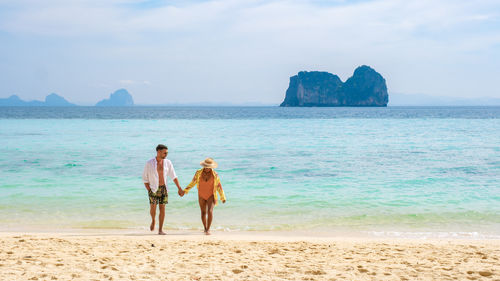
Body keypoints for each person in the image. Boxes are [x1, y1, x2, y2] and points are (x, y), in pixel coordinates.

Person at [142, 144, 183, 235]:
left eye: (167, 153)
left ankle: (160, 230)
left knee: (162, 208)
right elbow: (145, 178)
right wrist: (149, 190)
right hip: (153, 189)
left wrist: (179, 188)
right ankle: (153, 220)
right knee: (153, 208)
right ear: (158, 152)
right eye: (165, 152)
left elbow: (173, 176)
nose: (166, 154)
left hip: (164, 188)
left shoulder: (168, 162)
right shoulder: (149, 163)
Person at [181, 158, 226, 235]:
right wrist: (185, 190)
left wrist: (222, 197)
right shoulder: (198, 173)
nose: (207, 168)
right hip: (201, 194)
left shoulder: (215, 175)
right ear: (204, 166)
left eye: (209, 167)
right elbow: (193, 182)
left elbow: (219, 186)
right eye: (206, 166)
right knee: (203, 212)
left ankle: (208, 229)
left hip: (211, 195)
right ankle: (205, 228)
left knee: (210, 211)